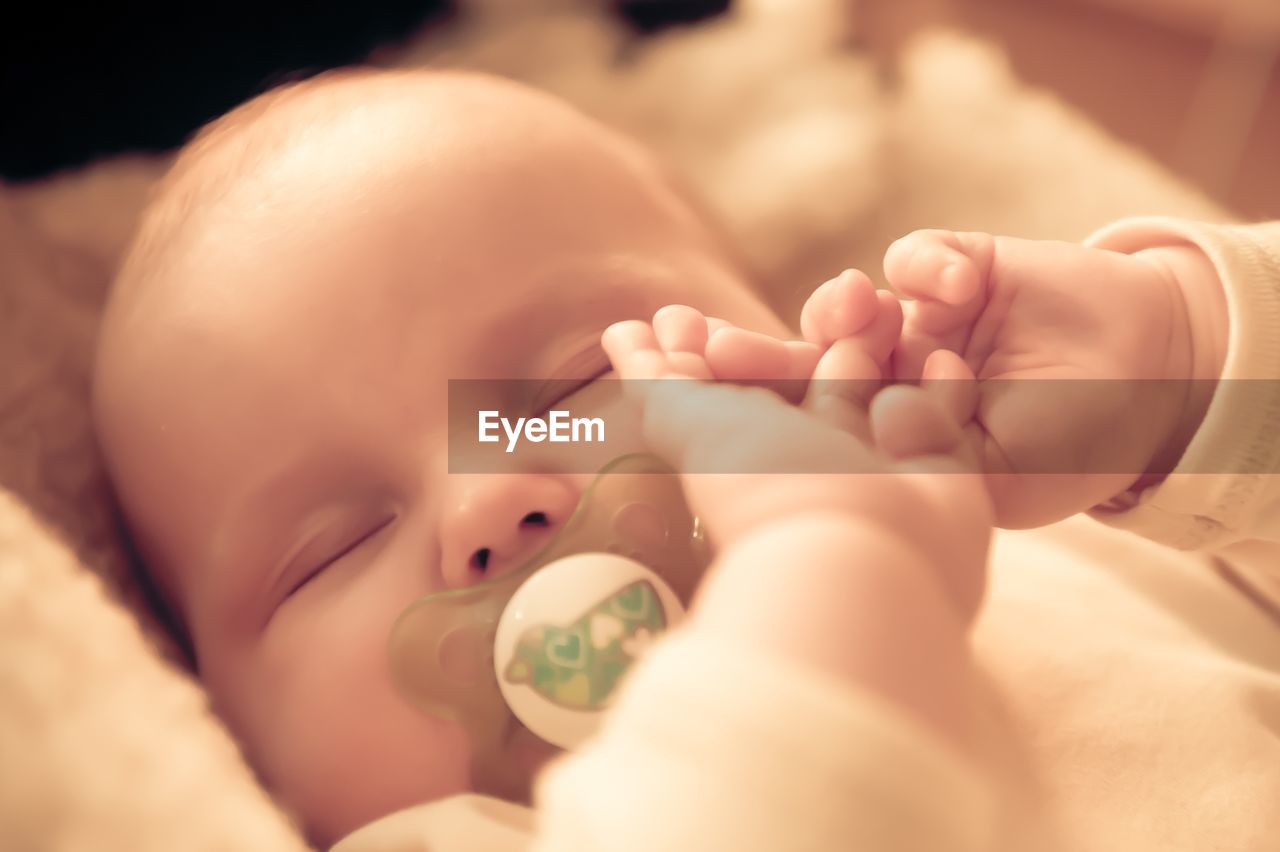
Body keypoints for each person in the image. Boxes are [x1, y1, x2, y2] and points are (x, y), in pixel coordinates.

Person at [92, 66, 1280, 851]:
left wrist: (1184, 371)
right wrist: (836, 569)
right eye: (328, 550)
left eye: (571, 390)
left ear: (774, 339)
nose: (490, 493)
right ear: (233, 738)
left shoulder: (1050, 521)